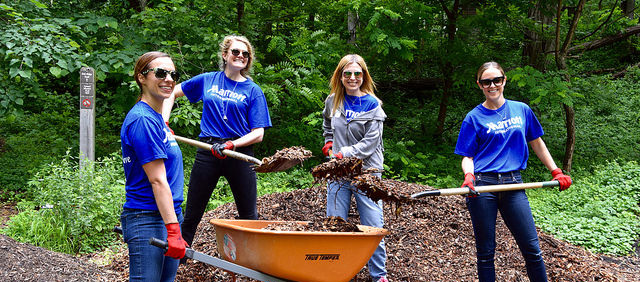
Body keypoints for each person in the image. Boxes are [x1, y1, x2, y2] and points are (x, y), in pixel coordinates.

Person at [454, 61, 573, 282]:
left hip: (514, 185)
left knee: (532, 249)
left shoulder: (522, 109)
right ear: (479, 85)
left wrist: (556, 171)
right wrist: (469, 176)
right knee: (486, 253)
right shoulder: (473, 117)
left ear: (504, 81)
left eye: (496, 80)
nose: (492, 85)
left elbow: (536, 142)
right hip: (483, 186)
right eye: (486, 82)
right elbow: (467, 156)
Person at [162, 35, 272, 248]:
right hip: (208, 151)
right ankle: (178, 258)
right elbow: (171, 93)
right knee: (193, 211)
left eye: (245, 54)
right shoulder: (207, 79)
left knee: (249, 214)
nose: (240, 56)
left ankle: (253, 263)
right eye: (236, 52)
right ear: (225, 55)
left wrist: (233, 144)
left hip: (239, 154)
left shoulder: (253, 91)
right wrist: (164, 121)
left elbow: (258, 133)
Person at [120, 51, 189, 282]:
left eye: (173, 74)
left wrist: (173, 222)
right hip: (147, 217)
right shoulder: (143, 119)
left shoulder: (157, 119)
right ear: (142, 77)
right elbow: (157, 180)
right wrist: (173, 231)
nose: (168, 79)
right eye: (160, 73)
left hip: (168, 215)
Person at [321, 54, 389, 282]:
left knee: (372, 225)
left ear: (364, 76)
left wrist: (343, 153)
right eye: (347, 73)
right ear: (340, 76)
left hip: (366, 174)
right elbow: (327, 124)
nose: (352, 78)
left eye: (357, 73)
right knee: (335, 224)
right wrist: (329, 142)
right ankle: (338, 274)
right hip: (338, 173)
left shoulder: (374, 106)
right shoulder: (333, 101)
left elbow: (369, 145)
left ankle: (378, 275)